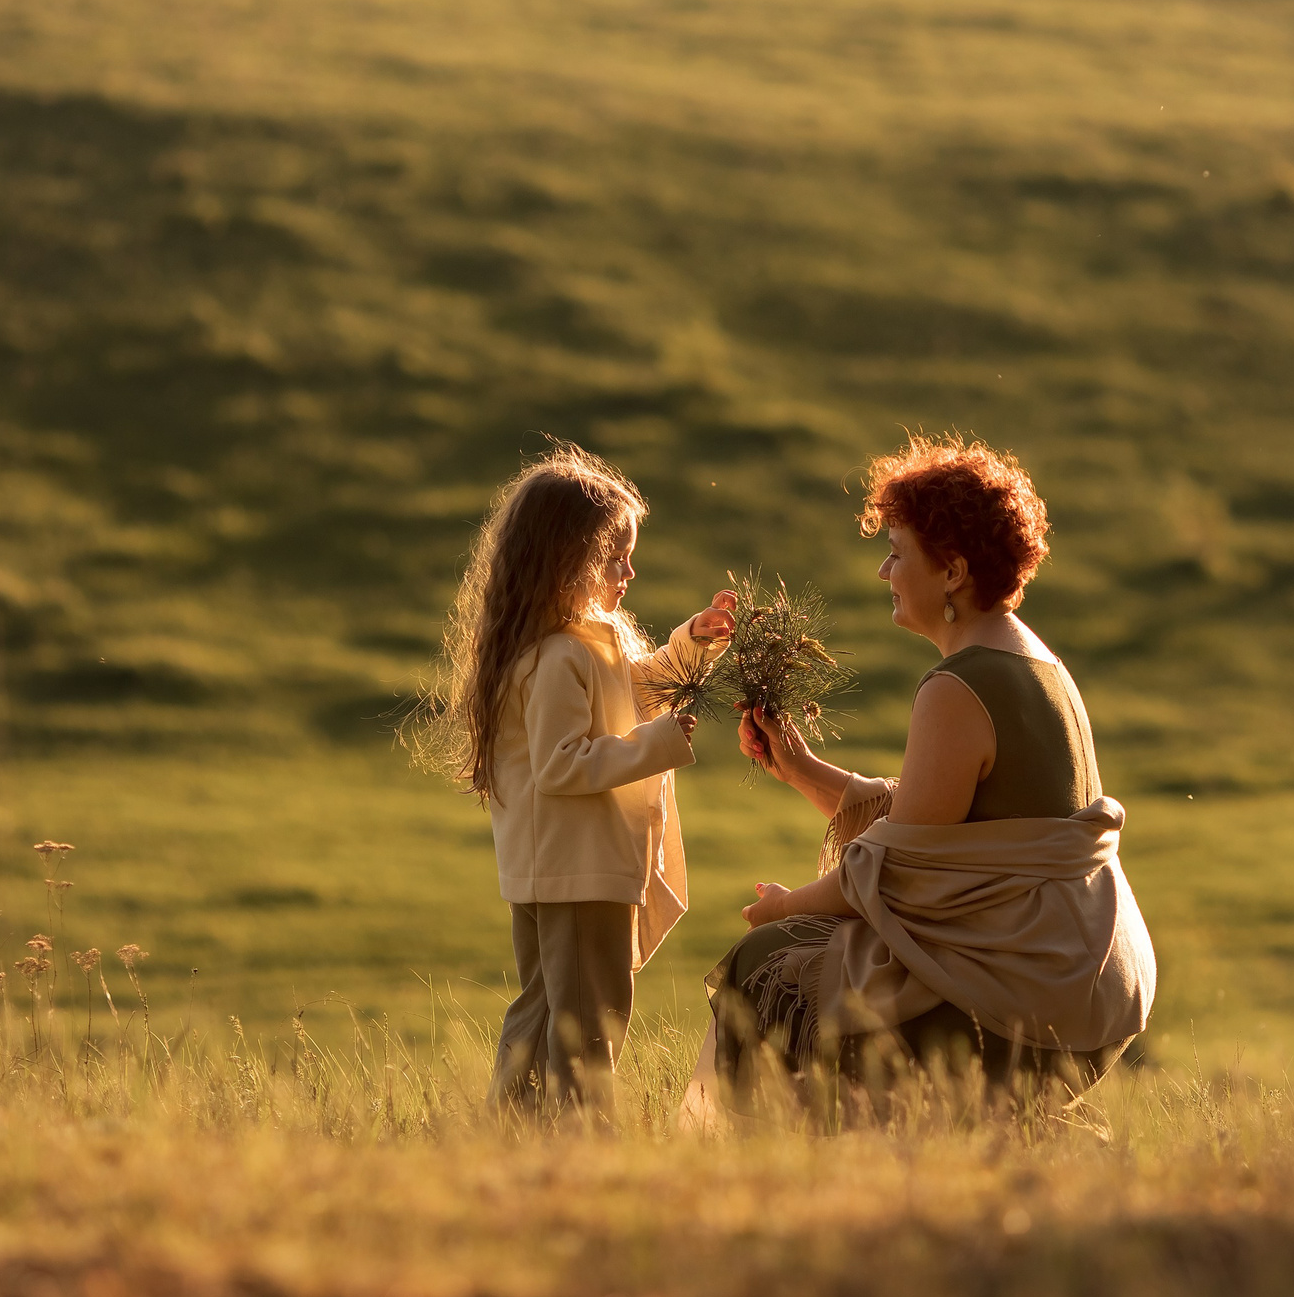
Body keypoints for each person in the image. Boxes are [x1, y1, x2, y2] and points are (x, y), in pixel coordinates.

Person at [684, 435, 1155, 1120]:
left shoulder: (957, 687)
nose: (884, 569)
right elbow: (949, 829)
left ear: (954, 570)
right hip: (1085, 983)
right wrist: (802, 768)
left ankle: (776, 1178)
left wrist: (788, 906)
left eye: (898, 551)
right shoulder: (1034, 659)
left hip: (1027, 1004)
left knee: (767, 959)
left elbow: (900, 871)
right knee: (805, 951)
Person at [429, 444, 735, 1114]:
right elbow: (562, 763)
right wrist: (653, 746)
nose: (629, 570)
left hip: (573, 864)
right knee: (584, 1018)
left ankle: (516, 1130)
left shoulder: (588, 640)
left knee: (551, 1008)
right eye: (613, 555)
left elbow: (640, 685)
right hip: (575, 866)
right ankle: (573, 1137)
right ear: (567, 558)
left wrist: (695, 642)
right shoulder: (560, 655)